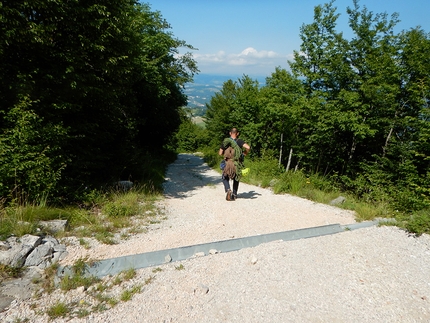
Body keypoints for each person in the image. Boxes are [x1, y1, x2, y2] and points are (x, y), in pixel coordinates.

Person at [218, 127, 250, 201]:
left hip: (227, 162)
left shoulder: (226, 142)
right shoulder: (239, 141)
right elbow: (248, 147)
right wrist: (244, 153)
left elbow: (220, 153)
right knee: (236, 178)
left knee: (225, 177)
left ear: (230, 133)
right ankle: (234, 194)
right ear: (237, 133)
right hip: (236, 163)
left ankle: (228, 189)